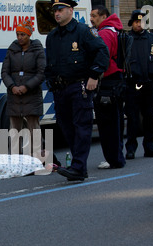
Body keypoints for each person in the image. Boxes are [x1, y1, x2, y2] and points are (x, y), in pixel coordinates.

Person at [45, 0, 109, 181]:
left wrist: (94, 76)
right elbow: (50, 63)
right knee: (66, 127)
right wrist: (50, 80)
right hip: (60, 88)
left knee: (82, 126)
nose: (57, 13)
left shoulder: (82, 31)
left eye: (60, 9)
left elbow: (102, 52)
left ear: (71, 11)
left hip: (79, 86)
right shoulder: (52, 36)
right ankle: (78, 166)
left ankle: (79, 166)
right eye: (55, 10)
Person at [124, 10, 153, 160]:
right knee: (132, 119)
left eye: (141, 22)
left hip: (150, 84)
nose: (139, 24)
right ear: (132, 23)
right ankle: (130, 148)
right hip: (132, 85)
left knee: (150, 118)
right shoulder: (126, 39)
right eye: (136, 22)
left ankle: (149, 147)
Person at [1, 19, 46, 159]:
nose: (20, 37)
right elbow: (4, 72)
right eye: (18, 34)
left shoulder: (37, 50)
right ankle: (14, 158)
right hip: (14, 95)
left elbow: (41, 72)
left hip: (31, 95)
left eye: (23, 35)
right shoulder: (12, 50)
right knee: (14, 128)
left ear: (29, 35)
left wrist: (27, 87)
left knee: (34, 127)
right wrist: (12, 86)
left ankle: (37, 158)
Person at [90, 5, 126, 170]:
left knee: (107, 123)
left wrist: (95, 75)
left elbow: (102, 56)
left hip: (107, 80)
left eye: (94, 16)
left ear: (103, 16)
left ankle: (113, 159)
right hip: (117, 80)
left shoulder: (104, 33)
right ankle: (117, 156)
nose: (91, 19)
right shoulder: (116, 29)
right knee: (116, 120)